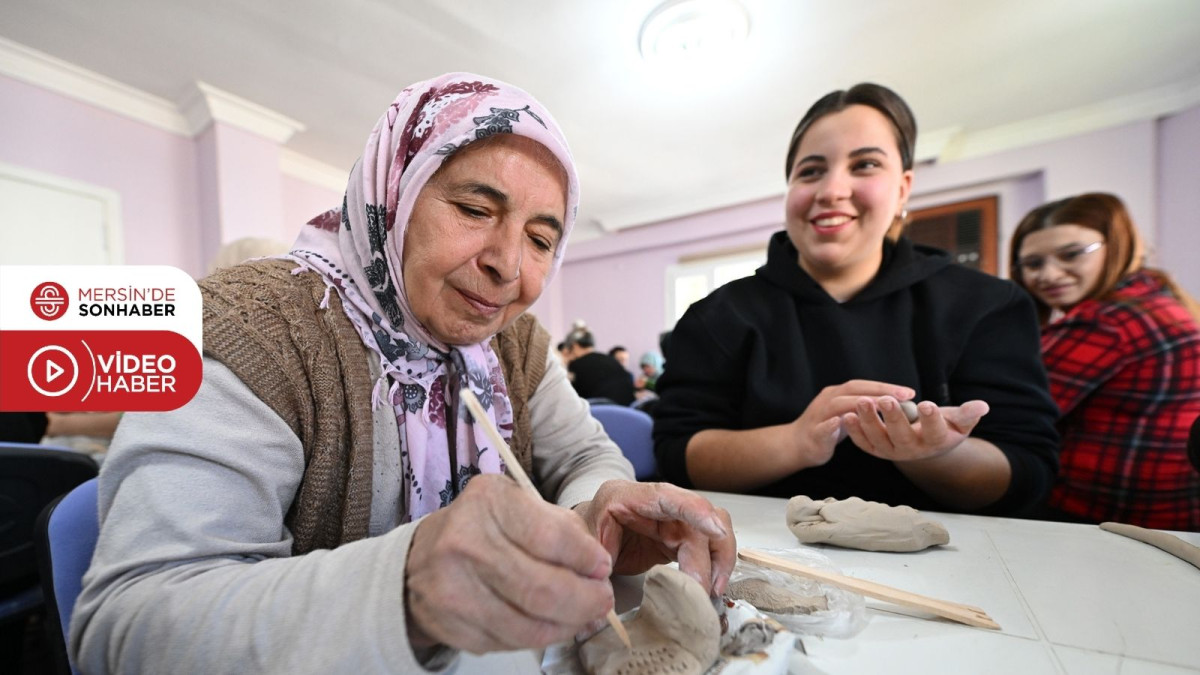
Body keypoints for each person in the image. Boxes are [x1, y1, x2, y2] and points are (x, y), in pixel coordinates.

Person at [71, 73, 734, 672]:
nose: (509, 264)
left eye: (540, 238)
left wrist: (599, 505)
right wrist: (404, 590)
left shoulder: (515, 341)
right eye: (475, 209)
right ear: (394, 195)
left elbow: (585, 454)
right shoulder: (252, 330)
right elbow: (128, 628)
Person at [653, 83, 1059, 515]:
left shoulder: (987, 305)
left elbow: (1028, 470)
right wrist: (797, 441)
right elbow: (679, 454)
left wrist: (931, 453)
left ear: (903, 188)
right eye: (810, 171)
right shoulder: (716, 317)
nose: (831, 190)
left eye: (864, 164)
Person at [1009, 193, 1200, 530]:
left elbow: (1010, 413)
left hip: (1104, 517)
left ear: (1116, 246)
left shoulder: (1107, 323)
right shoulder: (1161, 300)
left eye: (1071, 255)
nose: (1049, 274)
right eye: (1033, 264)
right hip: (1171, 511)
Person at [564, 328, 637, 405]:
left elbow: (571, 398)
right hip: (628, 412)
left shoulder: (576, 365)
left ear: (574, 346)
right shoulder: (611, 360)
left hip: (599, 412)